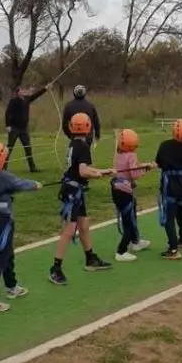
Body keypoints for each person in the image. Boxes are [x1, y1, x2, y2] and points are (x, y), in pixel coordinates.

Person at [49, 113, 114, 285]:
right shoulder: (84, 146)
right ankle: (55, 268)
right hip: (73, 192)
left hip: (73, 189)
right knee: (69, 230)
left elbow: (83, 168)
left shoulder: (73, 144)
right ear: (88, 127)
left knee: (84, 224)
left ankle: (90, 258)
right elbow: (83, 171)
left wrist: (102, 170)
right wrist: (96, 175)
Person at [0, 141, 41, 313]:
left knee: (8, 254)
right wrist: (35, 185)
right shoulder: (2, 177)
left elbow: (9, 186)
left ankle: (11, 286)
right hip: (1, 221)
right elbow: (20, 183)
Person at [111, 129, 157, 262]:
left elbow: (133, 167)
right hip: (124, 192)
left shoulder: (119, 153)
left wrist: (145, 165)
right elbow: (135, 174)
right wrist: (147, 169)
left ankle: (136, 241)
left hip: (117, 189)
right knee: (129, 222)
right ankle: (121, 251)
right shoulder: (131, 155)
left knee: (131, 216)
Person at [155, 119, 182, 260]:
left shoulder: (165, 146)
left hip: (170, 184)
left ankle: (173, 249)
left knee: (169, 217)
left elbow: (159, 162)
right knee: (181, 212)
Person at [4, 83, 48, 172]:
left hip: (23, 129)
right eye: (22, 90)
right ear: (18, 92)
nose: (24, 91)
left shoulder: (27, 99)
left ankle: (32, 168)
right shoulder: (13, 101)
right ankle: (3, 167)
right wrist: (8, 125)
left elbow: (36, 95)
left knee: (28, 148)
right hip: (14, 128)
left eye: (25, 90)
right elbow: (7, 113)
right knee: (10, 148)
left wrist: (45, 88)